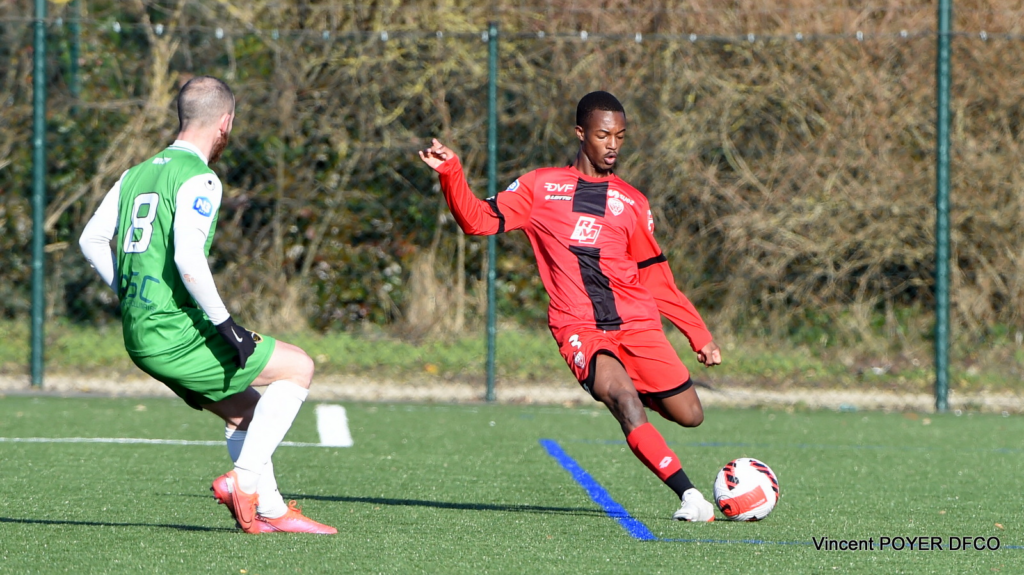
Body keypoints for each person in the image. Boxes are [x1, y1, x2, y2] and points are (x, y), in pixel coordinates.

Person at [419, 91, 723, 521]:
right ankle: (690, 497)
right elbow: (477, 220)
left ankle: (630, 391)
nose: (613, 144)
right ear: (581, 134)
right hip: (578, 325)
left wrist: (699, 333)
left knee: (690, 415)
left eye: (620, 136)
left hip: (637, 324)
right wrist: (452, 172)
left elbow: (655, 275)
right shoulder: (540, 187)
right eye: (603, 135)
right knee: (622, 399)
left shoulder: (632, 202)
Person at [79, 76, 335, 534]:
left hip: (142, 329)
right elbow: (187, 257)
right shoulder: (200, 178)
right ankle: (244, 482)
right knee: (298, 367)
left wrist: (130, 290)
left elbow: (91, 239)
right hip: (173, 330)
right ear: (226, 122)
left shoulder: (134, 173)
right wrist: (227, 324)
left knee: (245, 410)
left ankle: (270, 513)